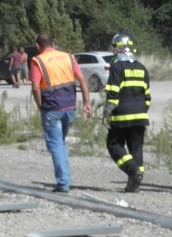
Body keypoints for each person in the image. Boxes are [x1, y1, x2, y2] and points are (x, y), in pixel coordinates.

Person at [30, 34, 92, 193]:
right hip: (69, 109)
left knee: (56, 144)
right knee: (60, 142)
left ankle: (63, 183)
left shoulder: (37, 61)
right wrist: (86, 102)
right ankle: (66, 178)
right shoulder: (68, 57)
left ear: (38, 46)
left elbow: (36, 87)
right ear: (53, 43)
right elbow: (82, 80)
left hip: (51, 109)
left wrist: (40, 106)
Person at [103, 33, 151, 193]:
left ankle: (132, 171)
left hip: (122, 115)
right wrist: (141, 112)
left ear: (116, 49)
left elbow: (113, 94)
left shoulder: (116, 66)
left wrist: (106, 113)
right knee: (136, 149)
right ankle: (135, 182)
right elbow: (148, 98)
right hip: (141, 116)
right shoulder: (142, 68)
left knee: (114, 144)